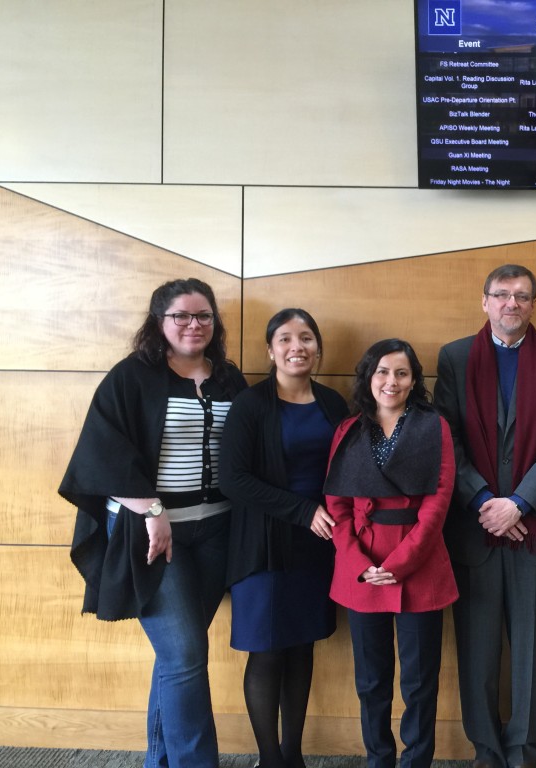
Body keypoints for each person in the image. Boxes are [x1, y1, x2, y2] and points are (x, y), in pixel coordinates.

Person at [59, 277, 247, 768]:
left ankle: (158, 761)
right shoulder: (132, 377)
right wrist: (153, 511)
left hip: (216, 532)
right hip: (154, 535)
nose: (193, 324)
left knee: (176, 660)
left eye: (203, 315)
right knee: (186, 656)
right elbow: (101, 456)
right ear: (158, 322)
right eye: (181, 316)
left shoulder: (229, 378)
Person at [434, 264, 536, 768]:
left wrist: (518, 503)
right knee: (476, 653)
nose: (511, 304)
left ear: (533, 305)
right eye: (502, 295)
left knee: (530, 653)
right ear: (485, 302)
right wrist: (482, 502)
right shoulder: (454, 357)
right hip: (473, 528)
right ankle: (486, 752)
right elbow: (445, 438)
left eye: (521, 296)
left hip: (534, 529)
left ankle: (522, 752)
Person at [220, 308, 349, 768]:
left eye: (307, 338)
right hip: (265, 544)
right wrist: (302, 510)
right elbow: (233, 479)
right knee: (268, 651)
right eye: (286, 339)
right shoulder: (251, 404)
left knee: (301, 647)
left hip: (318, 547)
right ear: (270, 349)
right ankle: (270, 760)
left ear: (318, 347)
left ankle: (293, 756)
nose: (298, 347)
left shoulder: (334, 403)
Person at [324, 338, 458, 768]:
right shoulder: (348, 430)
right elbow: (336, 505)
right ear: (369, 376)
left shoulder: (433, 426)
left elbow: (439, 501)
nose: (391, 381)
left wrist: (399, 564)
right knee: (371, 680)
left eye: (401, 372)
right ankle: (378, 760)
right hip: (361, 569)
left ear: (414, 379)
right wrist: (361, 564)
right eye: (382, 371)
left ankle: (416, 762)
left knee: (420, 682)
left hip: (419, 565)